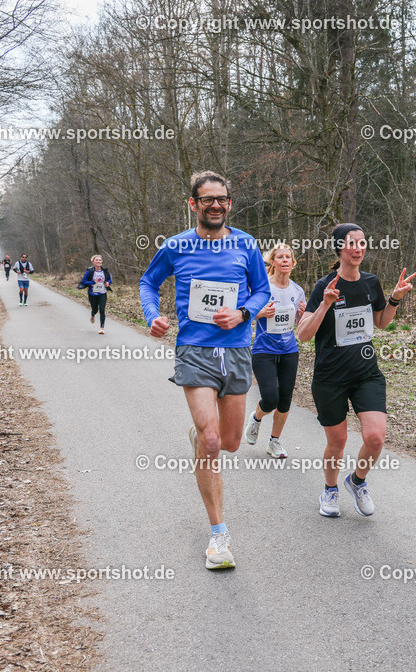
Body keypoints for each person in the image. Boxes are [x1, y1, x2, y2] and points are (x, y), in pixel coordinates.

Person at [139, 171, 269, 570]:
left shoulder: (246, 244)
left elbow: (262, 290)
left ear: (229, 204)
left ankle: (200, 434)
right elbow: (148, 282)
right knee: (212, 443)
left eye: (222, 199)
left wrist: (243, 312)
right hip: (194, 351)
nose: (216, 205)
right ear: (193, 204)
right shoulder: (176, 245)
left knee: (228, 442)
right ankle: (218, 537)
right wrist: (152, 315)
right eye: (207, 199)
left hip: (235, 352)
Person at [296, 223, 416, 518]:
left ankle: (357, 482)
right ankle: (330, 490)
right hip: (330, 377)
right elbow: (303, 334)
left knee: (375, 437)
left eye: (363, 243)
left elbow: (381, 322)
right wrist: (325, 305)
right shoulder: (325, 286)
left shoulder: (370, 282)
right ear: (340, 248)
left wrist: (395, 298)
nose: (358, 249)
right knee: (337, 442)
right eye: (352, 243)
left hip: (366, 373)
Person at [246, 243, 306, 459]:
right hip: (263, 350)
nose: (284, 260)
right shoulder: (262, 288)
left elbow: (302, 324)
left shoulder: (297, 291)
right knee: (270, 398)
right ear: (272, 262)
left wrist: (301, 314)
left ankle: (274, 442)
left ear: (292, 262)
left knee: (285, 399)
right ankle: (256, 418)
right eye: (280, 257)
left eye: (288, 257)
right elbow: (244, 315)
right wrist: (260, 313)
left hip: (289, 350)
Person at [78, 255, 113, 334]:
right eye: (96, 260)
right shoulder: (90, 271)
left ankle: (102, 328)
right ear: (93, 262)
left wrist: (108, 283)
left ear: (101, 261)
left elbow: (109, 280)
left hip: (102, 293)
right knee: (95, 309)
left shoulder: (105, 271)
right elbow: (83, 281)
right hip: (92, 294)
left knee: (102, 310)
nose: (98, 261)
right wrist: (93, 282)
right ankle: (93, 314)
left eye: (100, 260)